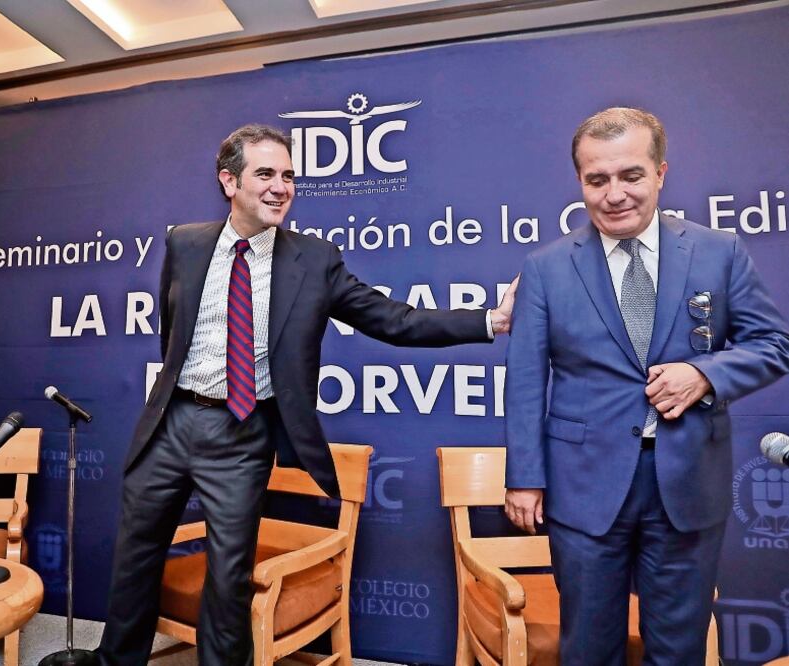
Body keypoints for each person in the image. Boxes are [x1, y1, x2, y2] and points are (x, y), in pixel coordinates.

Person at [97, 124, 518, 666]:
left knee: (228, 580)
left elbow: (395, 320)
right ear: (229, 181)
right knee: (134, 560)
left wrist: (490, 321)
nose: (281, 187)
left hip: (241, 434)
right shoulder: (186, 242)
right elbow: (173, 328)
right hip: (171, 423)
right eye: (265, 174)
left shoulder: (316, 260)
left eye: (289, 176)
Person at [503, 107, 789, 663]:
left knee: (678, 649)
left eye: (631, 175)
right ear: (581, 181)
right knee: (587, 646)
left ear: (660, 172)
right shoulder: (545, 267)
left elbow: (774, 344)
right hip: (582, 486)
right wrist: (525, 478)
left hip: (688, 483)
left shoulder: (718, 252)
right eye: (597, 179)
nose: (614, 194)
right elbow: (525, 382)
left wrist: (705, 374)